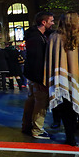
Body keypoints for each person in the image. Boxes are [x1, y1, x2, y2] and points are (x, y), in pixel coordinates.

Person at [45, 12, 79, 148]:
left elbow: (50, 60)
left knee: (67, 112)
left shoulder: (54, 37)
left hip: (63, 82)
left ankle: (70, 139)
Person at [21, 11, 55, 139]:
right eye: (51, 21)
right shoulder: (37, 39)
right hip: (37, 76)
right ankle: (37, 129)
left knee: (31, 101)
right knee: (41, 103)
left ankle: (26, 126)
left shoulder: (35, 35)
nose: (53, 23)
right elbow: (37, 61)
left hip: (31, 76)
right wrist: (40, 81)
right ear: (44, 22)